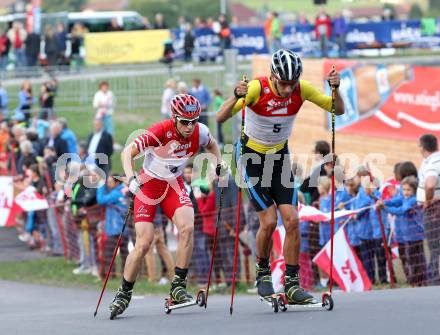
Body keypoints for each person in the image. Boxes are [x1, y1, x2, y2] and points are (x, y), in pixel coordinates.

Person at [217, 49, 344, 304]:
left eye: (292, 84)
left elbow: (336, 110)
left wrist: (335, 89)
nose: (288, 90)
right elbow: (221, 117)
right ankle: (263, 271)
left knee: (293, 220)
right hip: (250, 159)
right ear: (273, 76)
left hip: (279, 159)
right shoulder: (256, 88)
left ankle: (292, 283)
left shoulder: (301, 89)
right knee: (269, 221)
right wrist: (234, 96)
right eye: (284, 84)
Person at [109, 94, 223, 317]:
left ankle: (178, 286)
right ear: (174, 118)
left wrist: (218, 164)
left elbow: (213, 145)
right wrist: (131, 177)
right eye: (184, 122)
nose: (189, 127)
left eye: (193, 121)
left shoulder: (199, 131)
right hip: (149, 186)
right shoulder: (160, 131)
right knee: (144, 243)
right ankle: (123, 293)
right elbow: (127, 152)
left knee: (188, 229)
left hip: (174, 184)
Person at [417, 134, 440, 284]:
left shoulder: (431, 162)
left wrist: (428, 200)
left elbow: (430, 184)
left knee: (434, 247)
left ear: (422, 147)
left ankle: (434, 281)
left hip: (433, 211)